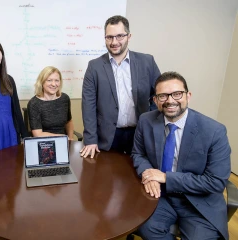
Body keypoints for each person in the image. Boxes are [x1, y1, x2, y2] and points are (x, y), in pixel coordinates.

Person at [132, 72, 231, 239]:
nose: (170, 100)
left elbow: (216, 182)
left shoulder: (214, 131)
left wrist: (165, 177)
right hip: (160, 196)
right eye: (162, 96)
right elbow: (138, 153)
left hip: (198, 201)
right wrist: (148, 173)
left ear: (188, 96)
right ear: (155, 101)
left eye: (177, 94)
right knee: (145, 227)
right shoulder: (146, 121)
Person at [80, 15, 161, 158]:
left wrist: (151, 119)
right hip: (108, 136)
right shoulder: (94, 66)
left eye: (119, 36)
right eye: (109, 37)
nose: (114, 42)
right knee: (106, 177)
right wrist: (90, 139)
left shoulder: (147, 61)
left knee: (137, 175)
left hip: (139, 132)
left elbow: (159, 95)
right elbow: (88, 105)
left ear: (129, 36)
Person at [27, 66, 74, 139]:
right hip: (44, 144)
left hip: (64, 143)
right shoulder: (34, 103)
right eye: (49, 80)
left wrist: (70, 139)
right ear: (42, 82)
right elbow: (38, 134)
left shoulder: (64, 98)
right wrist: (63, 137)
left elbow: (69, 121)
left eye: (57, 80)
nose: (54, 84)